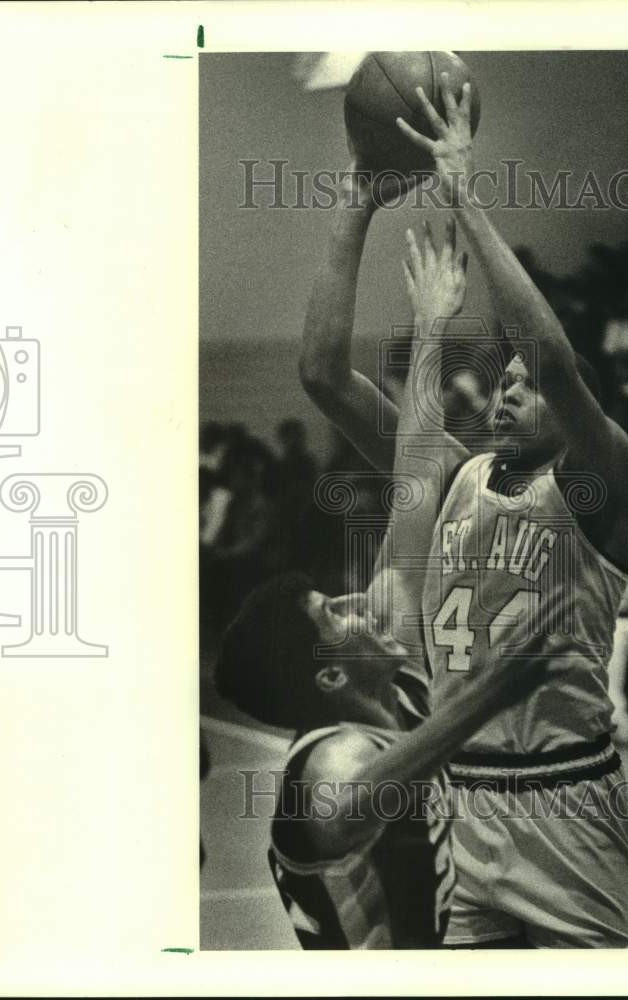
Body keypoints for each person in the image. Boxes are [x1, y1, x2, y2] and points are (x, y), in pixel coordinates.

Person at [301, 81, 628, 946]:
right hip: (466, 802)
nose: (504, 393)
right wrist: (355, 203)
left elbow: (555, 358)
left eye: (523, 389)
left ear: (572, 420)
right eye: (499, 383)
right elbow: (323, 376)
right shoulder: (451, 477)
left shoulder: (598, 485)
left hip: (567, 800)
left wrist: (462, 194)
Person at [217, 236, 547, 949]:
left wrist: (431, 323)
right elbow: (369, 789)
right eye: (331, 611)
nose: (351, 598)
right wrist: (493, 691)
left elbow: (417, 480)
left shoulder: (385, 687)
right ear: (331, 672)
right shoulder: (331, 763)